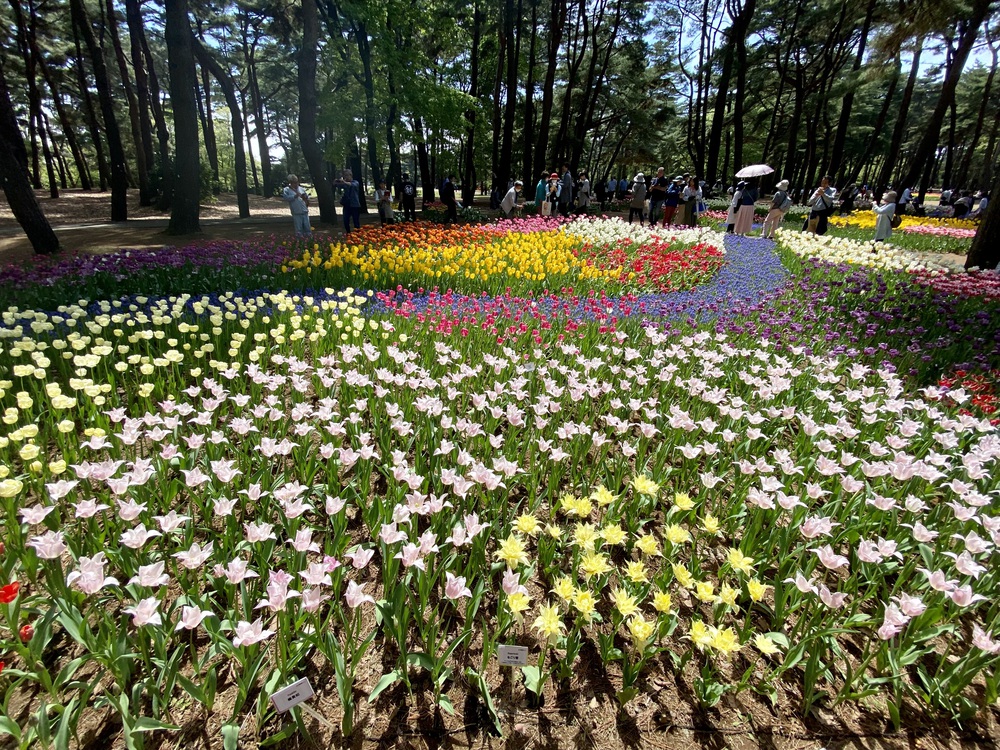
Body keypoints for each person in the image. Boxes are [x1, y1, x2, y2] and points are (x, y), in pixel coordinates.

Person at [334, 170, 361, 235]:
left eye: (346, 175)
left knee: (356, 221)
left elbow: (351, 185)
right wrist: (336, 182)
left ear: (350, 175)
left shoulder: (355, 182)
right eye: (344, 175)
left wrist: (344, 182)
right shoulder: (345, 183)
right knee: (345, 220)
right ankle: (348, 233)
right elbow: (337, 185)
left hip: (355, 205)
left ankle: (357, 235)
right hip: (347, 205)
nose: (345, 177)